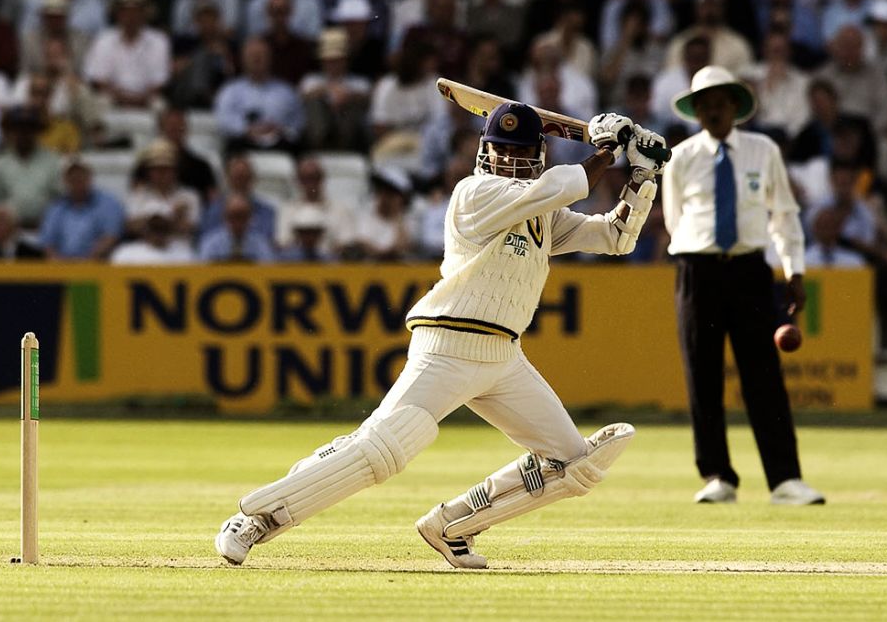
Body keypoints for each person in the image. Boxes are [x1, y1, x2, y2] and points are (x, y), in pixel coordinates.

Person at [215, 102, 666, 569]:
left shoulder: (542, 212)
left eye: (518, 153)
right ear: (485, 153)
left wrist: (642, 176)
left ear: (536, 155)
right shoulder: (475, 193)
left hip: (504, 357)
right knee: (384, 449)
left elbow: (615, 237)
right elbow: (568, 184)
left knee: (574, 464)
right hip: (448, 346)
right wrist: (607, 149)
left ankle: (452, 526)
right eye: (501, 151)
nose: (509, 161)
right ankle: (257, 518)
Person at [661, 66, 825, 506]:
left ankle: (785, 479)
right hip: (698, 271)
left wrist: (794, 271)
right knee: (703, 375)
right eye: (704, 103)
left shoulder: (762, 150)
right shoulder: (680, 158)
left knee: (764, 376)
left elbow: (784, 215)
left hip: (751, 270)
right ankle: (717, 476)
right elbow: (674, 221)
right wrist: (699, 254)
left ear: (736, 105)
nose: (713, 110)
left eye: (720, 101)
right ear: (696, 110)